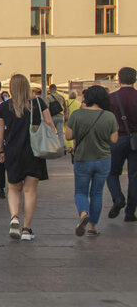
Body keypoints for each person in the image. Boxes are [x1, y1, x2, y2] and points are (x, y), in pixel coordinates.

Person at [0, 73, 55, 241]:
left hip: (13, 151)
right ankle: (27, 230)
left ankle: (14, 217)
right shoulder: (38, 103)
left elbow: (0, 131)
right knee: (30, 191)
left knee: (13, 187)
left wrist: (0, 151)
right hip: (34, 151)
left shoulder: (4, 107)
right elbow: (50, 122)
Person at [65, 85, 119, 237]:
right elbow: (114, 139)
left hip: (83, 159)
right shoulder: (109, 116)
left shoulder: (77, 115)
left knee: (81, 192)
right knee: (97, 193)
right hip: (103, 160)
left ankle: (83, 214)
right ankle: (93, 227)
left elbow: (68, 136)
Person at [107, 66, 137, 222]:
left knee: (112, 172)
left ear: (118, 79)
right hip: (136, 140)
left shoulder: (111, 98)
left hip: (116, 138)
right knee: (134, 176)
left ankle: (118, 197)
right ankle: (130, 212)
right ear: (135, 79)